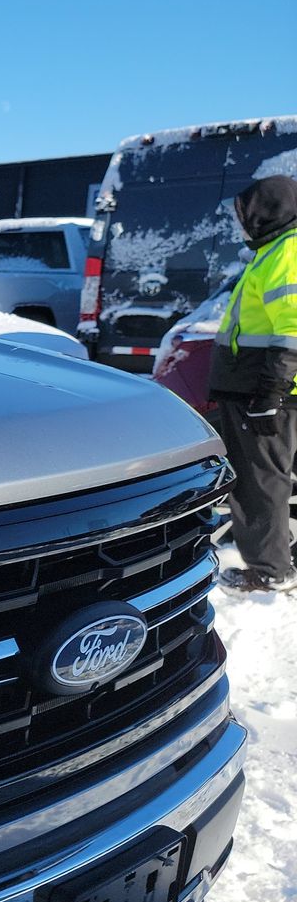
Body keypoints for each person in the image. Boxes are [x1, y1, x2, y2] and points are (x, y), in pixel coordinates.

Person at [209, 174, 297, 593]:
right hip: (256, 389)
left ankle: (269, 571)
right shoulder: (273, 251)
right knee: (269, 479)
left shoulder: (287, 251)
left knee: (259, 482)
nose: (241, 224)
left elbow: (292, 328)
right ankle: (273, 555)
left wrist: (269, 395)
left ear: (267, 210)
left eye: (245, 214)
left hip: (261, 393)